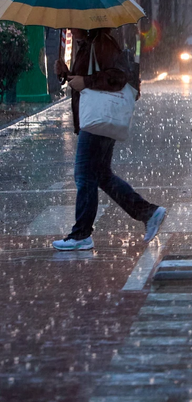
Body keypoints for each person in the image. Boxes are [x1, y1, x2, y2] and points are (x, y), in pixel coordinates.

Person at [52, 28, 166, 251]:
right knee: (101, 175)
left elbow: (117, 76)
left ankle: (82, 234)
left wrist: (85, 81)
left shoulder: (101, 43)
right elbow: (82, 81)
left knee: (84, 175)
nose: (70, 28)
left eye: (73, 24)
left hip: (98, 120)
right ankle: (148, 212)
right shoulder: (87, 45)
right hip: (96, 119)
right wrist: (65, 74)